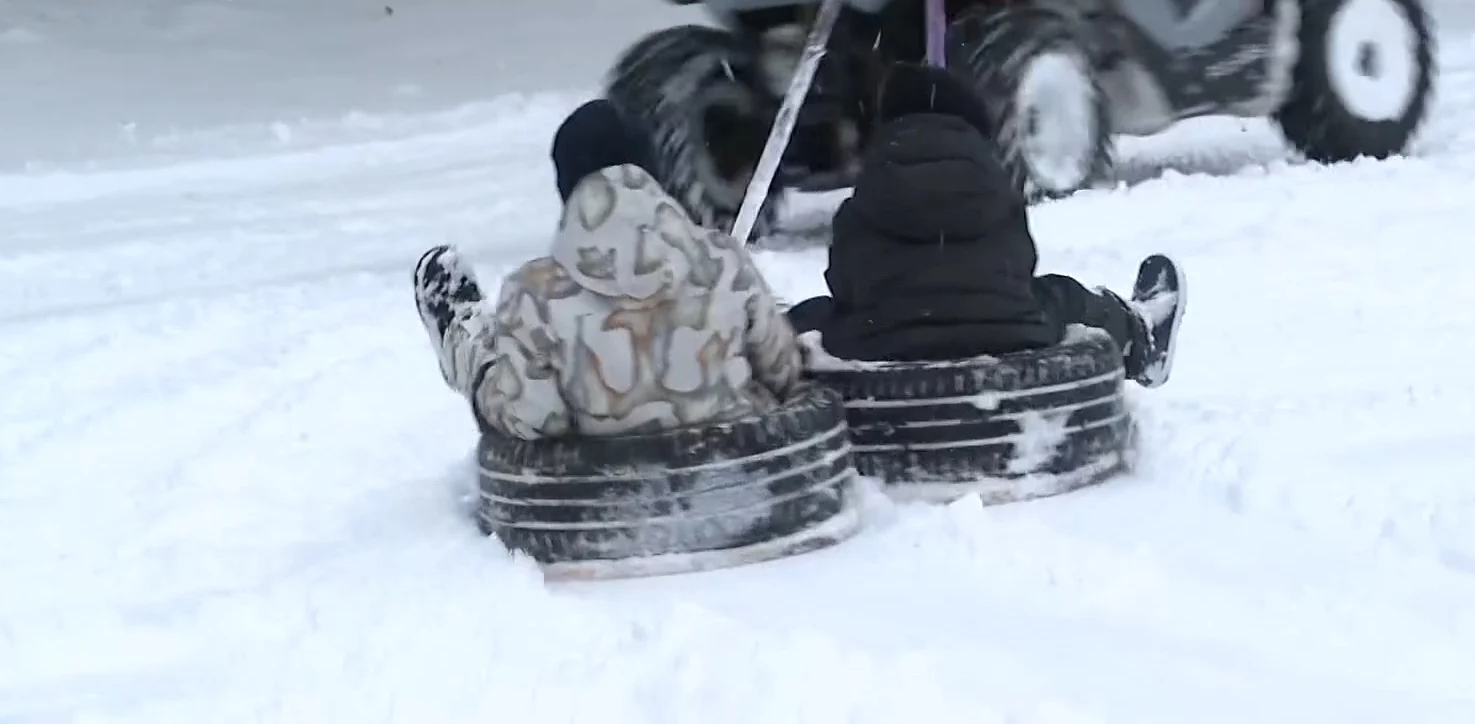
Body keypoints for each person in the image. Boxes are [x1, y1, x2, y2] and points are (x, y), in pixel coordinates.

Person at [412, 99, 807, 440]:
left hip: (608, 482)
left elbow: (533, 418)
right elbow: (783, 371)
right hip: (738, 462)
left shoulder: (534, 294)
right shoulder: (724, 259)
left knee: (498, 374)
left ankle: (467, 344)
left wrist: (485, 384)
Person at [786, 64, 1186, 386]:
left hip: (879, 342)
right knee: (1065, 297)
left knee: (808, 315)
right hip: (1010, 334)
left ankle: (757, 374)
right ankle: (1140, 337)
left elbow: (842, 281)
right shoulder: (996, 185)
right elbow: (1021, 264)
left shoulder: (865, 196)